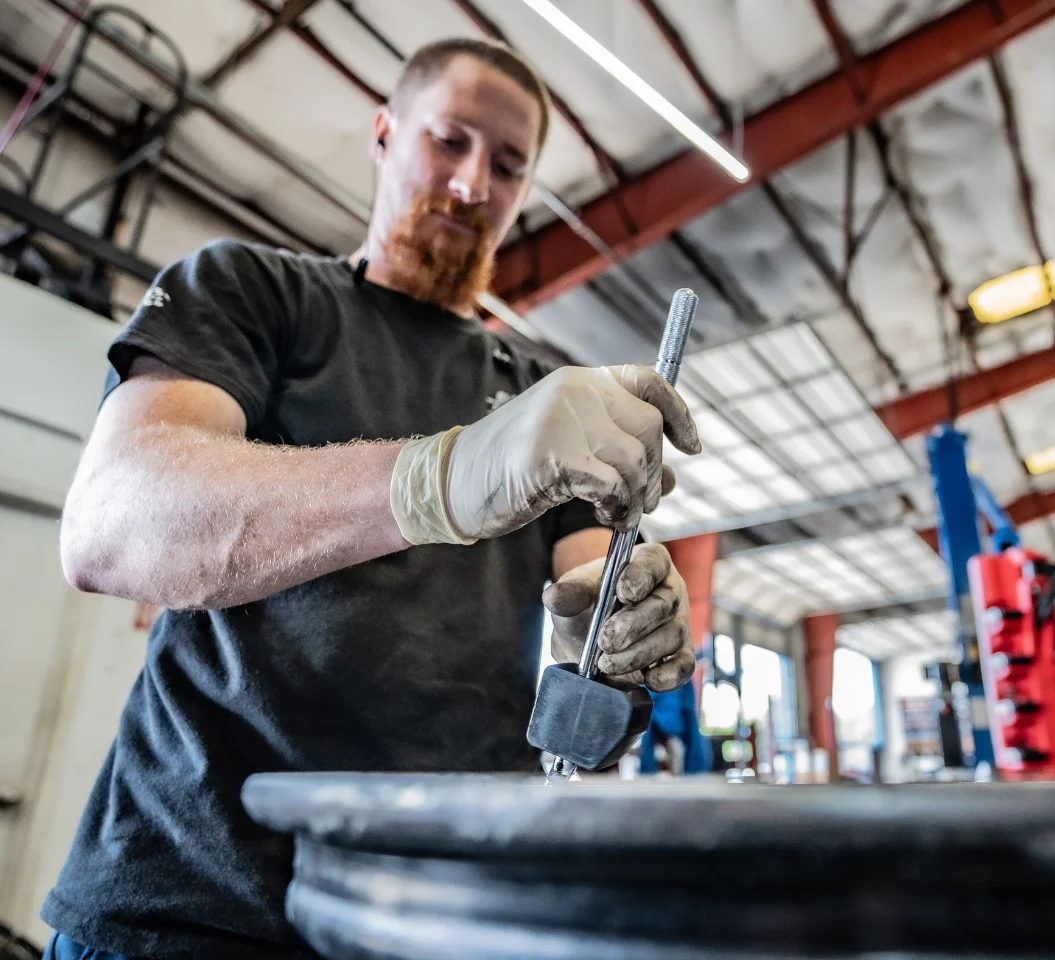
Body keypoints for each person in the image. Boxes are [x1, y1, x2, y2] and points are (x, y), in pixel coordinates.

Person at [41, 38, 700, 960]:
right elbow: (110, 526)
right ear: (385, 135)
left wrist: (626, 637)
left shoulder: (545, 396)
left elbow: (592, 602)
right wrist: (442, 476)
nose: (474, 185)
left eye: (509, 166)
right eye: (451, 142)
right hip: (193, 905)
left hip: (446, 919)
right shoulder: (253, 294)